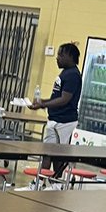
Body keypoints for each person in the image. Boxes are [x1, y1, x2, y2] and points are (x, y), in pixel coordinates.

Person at [29, 42, 82, 177]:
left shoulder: (73, 75)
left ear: (70, 57)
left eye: (60, 55)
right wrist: (42, 102)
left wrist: (43, 105)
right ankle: (39, 182)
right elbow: (57, 97)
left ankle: (56, 183)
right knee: (47, 153)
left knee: (57, 155)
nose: (57, 58)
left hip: (64, 121)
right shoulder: (65, 73)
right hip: (55, 119)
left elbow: (64, 99)